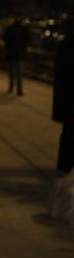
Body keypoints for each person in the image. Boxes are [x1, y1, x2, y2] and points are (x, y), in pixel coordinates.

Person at [53, 20, 74, 176]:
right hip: (69, 100)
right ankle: (64, 167)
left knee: (68, 134)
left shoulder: (66, 45)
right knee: (69, 135)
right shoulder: (68, 46)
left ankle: (64, 166)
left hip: (67, 100)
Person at [3, 15, 31, 96]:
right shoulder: (13, 29)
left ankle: (17, 89)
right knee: (14, 73)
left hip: (17, 54)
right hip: (15, 54)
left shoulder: (21, 29)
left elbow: (28, 39)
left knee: (17, 73)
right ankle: (13, 88)